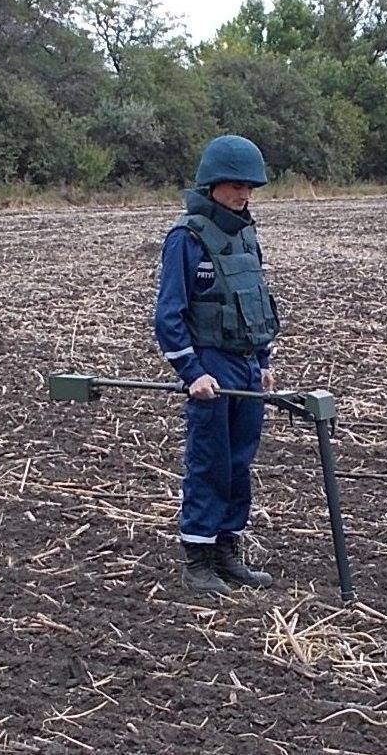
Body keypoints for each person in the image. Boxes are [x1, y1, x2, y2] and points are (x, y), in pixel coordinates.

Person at [155, 135, 280, 596]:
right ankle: (198, 558)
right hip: (211, 365)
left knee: (239, 462)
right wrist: (192, 373)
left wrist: (263, 359)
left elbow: (256, 301)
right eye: (234, 187)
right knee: (210, 462)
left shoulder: (246, 234)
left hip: (246, 366)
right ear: (212, 186)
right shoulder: (185, 239)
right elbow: (169, 316)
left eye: (249, 188)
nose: (243, 196)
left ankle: (228, 549)